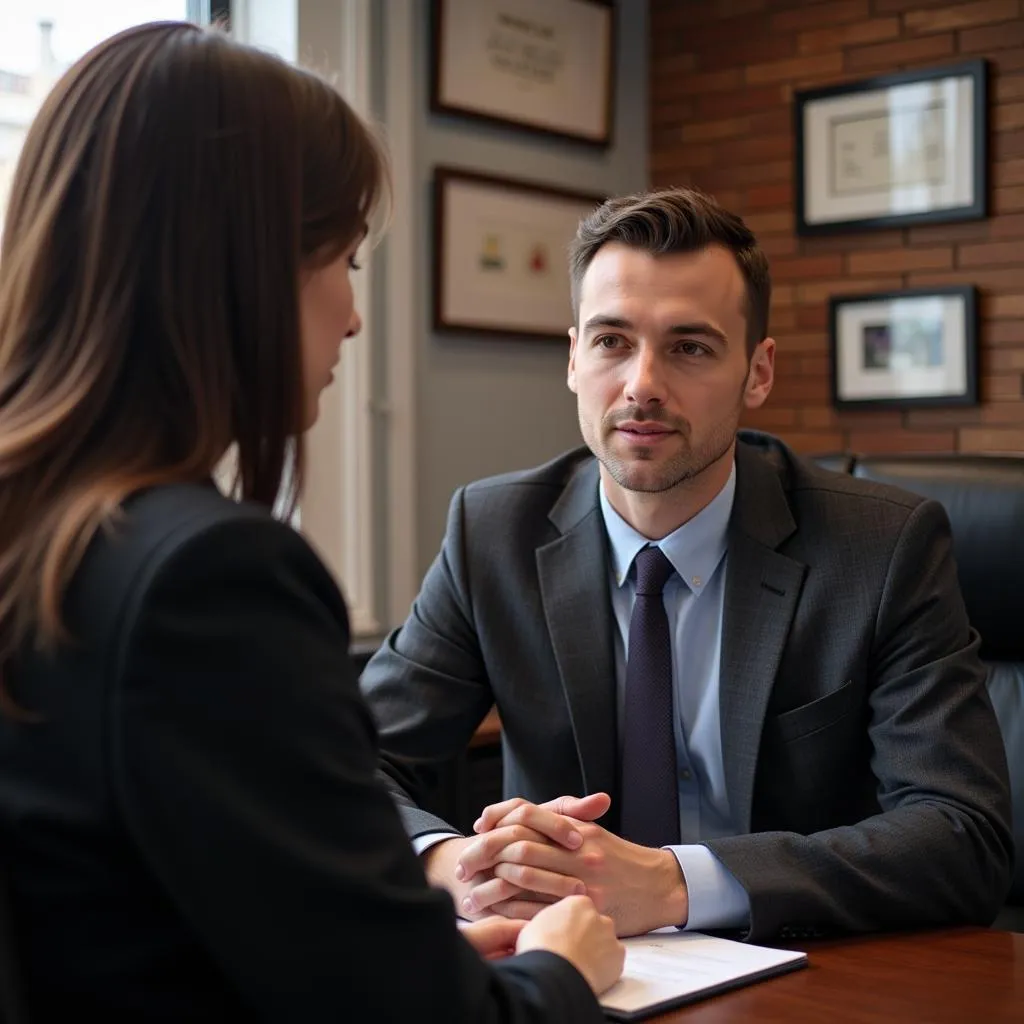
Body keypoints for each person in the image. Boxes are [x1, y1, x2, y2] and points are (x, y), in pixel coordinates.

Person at [0, 21, 625, 1023]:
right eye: (344, 262)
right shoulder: (207, 579)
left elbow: (135, 919)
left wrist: (388, 940)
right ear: (240, 269)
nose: (351, 318)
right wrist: (559, 967)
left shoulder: (38, 536)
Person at [360, 186, 1014, 943]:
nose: (641, 383)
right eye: (611, 342)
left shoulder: (881, 549)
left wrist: (673, 884)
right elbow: (348, 767)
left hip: (797, 972)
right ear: (573, 359)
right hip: (561, 968)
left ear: (758, 372)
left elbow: (965, 836)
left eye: (689, 347)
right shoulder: (492, 532)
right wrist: (456, 864)